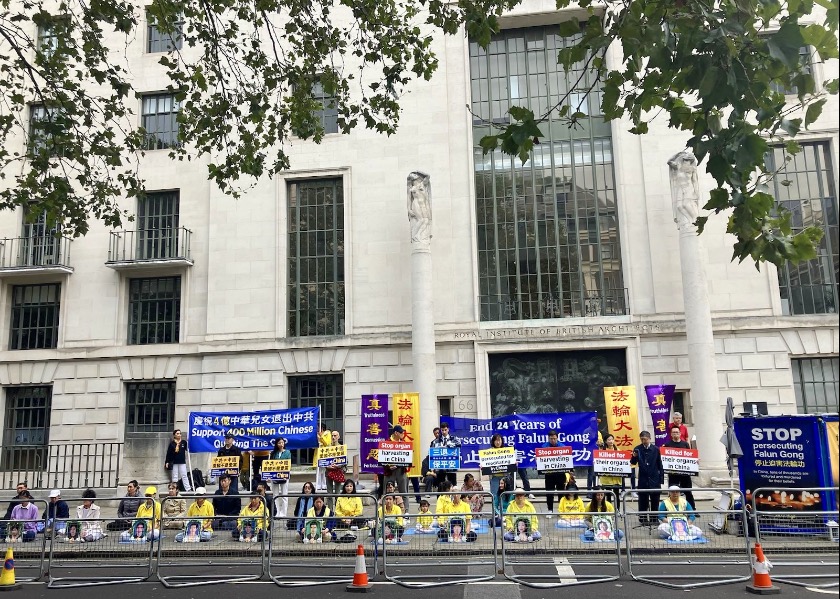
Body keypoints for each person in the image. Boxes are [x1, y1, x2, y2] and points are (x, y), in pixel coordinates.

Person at [630, 430, 663, 525]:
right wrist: (634, 456)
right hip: (643, 478)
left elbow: (659, 464)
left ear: (649, 438)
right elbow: (633, 463)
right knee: (643, 500)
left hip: (654, 477)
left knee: (655, 500)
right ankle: (643, 518)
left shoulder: (655, 449)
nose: (644, 441)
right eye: (642, 439)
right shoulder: (638, 449)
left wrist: (661, 478)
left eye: (645, 439)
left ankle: (654, 518)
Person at [663, 424, 696, 509]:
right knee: (672, 492)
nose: (675, 434)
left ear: (680, 433)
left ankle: (692, 509)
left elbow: (690, 456)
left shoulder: (685, 444)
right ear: (671, 434)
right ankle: (671, 509)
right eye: (673, 432)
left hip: (685, 473)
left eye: (677, 432)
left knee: (688, 492)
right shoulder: (667, 444)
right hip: (673, 473)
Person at [540, 430, 569, 516]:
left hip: (560, 474)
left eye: (554, 438)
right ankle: (550, 510)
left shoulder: (562, 446)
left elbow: (566, 459)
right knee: (549, 493)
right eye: (551, 438)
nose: (553, 440)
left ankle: (561, 510)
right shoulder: (544, 447)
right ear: (548, 438)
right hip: (549, 474)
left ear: (557, 438)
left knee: (561, 492)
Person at [430, 422, 462, 489]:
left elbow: (459, 445)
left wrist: (447, 446)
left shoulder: (453, 439)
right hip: (440, 466)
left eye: (445, 430)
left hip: (451, 466)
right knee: (440, 485)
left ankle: (453, 499)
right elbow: (432, 451)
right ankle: (440, 499)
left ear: (448, 429)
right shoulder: (436, 441)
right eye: (442, 430)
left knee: (453, 485)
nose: (444, 432)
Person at [598, 434, 625, 512]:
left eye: (612, 439)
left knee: (616, 495)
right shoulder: (602, 451)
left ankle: (617, 509)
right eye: (609, 440)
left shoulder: (618, 450)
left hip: (616, 478)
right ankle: (608, 510)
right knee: (608, 495)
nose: (611, 441)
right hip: (606, 478)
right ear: (606, 441)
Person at [487, 434, 512, 513]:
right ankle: (495, 513)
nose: (498, 442)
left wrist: (514, 464)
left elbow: (510, 464)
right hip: (494, 478)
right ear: (493, 441)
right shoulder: (488, 452)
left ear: (502, 441)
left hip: (505, 477)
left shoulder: (507, 451)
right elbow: (486, 464)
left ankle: (506, 512)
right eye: (496, 440)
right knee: (494, 495)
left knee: (506, 494)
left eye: (499, 440)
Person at [382, 425, 409, 495]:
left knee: (404, 492)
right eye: (401, 433)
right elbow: (382, 458)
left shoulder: (404, 443)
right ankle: (385, 505)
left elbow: (407, 456)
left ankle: (406, 506)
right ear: (396, 433)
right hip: (389, 471)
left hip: (401, 470)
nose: (402, 434)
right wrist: (388, 466)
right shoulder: (387, 442)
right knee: (387, 492)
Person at [269, 437, 291, 518]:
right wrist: (269, 475)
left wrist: (286, 474)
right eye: (279, 443)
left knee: (284, 494)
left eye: (282, 443)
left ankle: (283, 513)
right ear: (276, 444)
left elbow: (288, 464)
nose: (281, 444)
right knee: (275, 494)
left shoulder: (287, 452)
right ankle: (276, 512)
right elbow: (270, 465)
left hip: (284, 475)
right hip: (274, 476)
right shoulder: (273, 453)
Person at [324, 429, 345, 510]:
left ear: (338, 437)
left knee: (337, 493)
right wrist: (327, 466)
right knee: (329, 494)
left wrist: (338, 466)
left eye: (335, 435)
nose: (333, 437)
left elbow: (345, 461)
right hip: (328, 472)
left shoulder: (342, 448)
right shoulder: (327, 448)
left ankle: (337, 511)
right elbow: (323, 460)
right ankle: (330, 511)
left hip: (338, 472)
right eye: (332, 435)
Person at [314, 422, 332, 491]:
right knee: (318, 470)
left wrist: (321, 437)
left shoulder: (328, 433)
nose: (317, 429)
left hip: (325, 454)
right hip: (318, 453)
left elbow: (327, 443)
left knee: (324, 470)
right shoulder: (316, 435)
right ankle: (318, 484)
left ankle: (324, 484)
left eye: (318, 427)